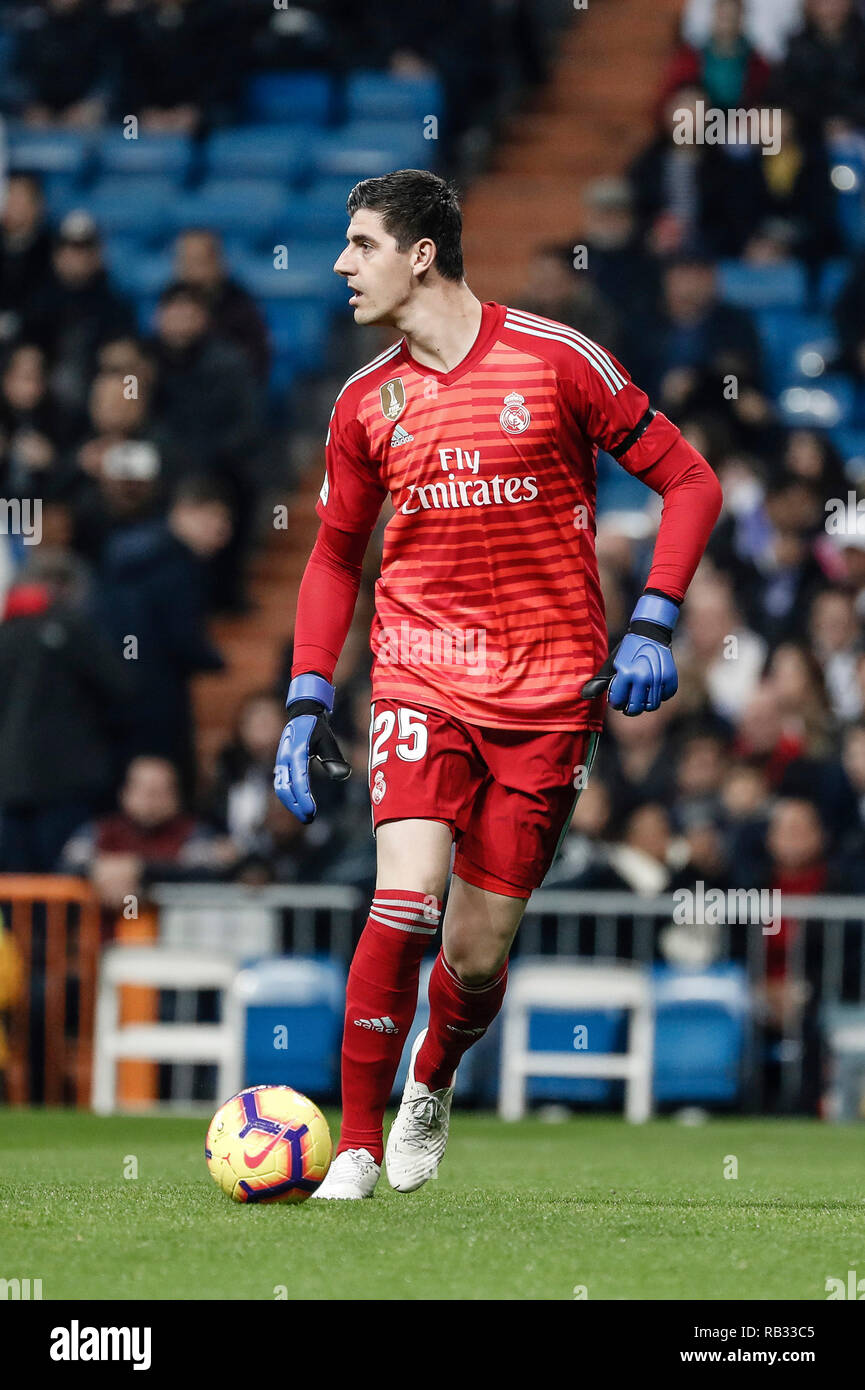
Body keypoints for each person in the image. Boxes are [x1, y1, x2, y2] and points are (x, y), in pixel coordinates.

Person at [272, 168, 722, 1198]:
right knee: (402, 895)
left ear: (420, 253)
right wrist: (306, 698)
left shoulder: (557, 359)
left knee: (472, 958)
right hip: (419, 676)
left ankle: (431, 1074)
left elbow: (690, 481)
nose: (341, 265)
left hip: (550, 691)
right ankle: (351, 1142)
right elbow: (336, 557)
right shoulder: (362, 402)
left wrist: (655, 616)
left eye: (360, 244)